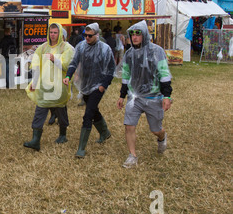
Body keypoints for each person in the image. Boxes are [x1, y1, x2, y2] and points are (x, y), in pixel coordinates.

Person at [116, 20, 172, 168]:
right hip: (134, 97)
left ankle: (162, 137)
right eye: (132, 34)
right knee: (129, 126)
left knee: (155, 129)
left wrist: (167, 96)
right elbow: (126, 76)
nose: (134, 37)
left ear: (144, 35)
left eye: (138, 34)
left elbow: (164, 74)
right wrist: (122, 96)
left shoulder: (157, 51)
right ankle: (132, 155)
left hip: (153, 97)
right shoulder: (129, 54)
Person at [63, 23, 116, 158]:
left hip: (98, 86)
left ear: (97, 35)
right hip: (85, 85)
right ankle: (105, 132)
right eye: (85, 35)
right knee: (93, 110)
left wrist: (103, 85)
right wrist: (68, 76)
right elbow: (74, 62)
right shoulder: (81, 46)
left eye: (90, 36)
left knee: (88, 114)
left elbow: (111, 69)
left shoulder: (105, 49)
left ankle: (81, 148)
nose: (87, 38)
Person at [24, 23, 75, 151]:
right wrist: (34, 82)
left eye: (55, 32)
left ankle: (63, 134)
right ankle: (36, 140)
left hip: (59, 86)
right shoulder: (43, 47)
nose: (52, 35)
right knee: (40, 108)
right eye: (51, 32)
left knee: (60, 108)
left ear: (60, 34)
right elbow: (36, 64)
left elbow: (67, 66)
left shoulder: (66, 48)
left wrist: (55, 60)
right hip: (44, 85)